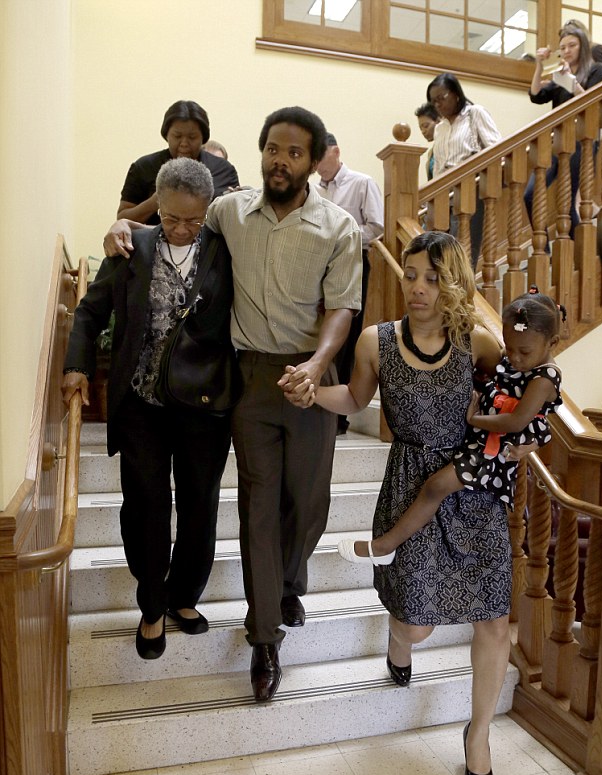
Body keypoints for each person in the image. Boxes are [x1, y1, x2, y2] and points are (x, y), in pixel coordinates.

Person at [103, 106, 363, 701]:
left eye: (294, 152)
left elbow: (343, 307)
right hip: (249, 379)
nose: (281, 159)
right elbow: (174, 218)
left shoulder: (340, 228)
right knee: (258, 506)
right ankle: (264, 637)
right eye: (273, 148)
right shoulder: (228, 211)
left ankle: (290, 580)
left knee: (308, 502)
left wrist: (318, 365)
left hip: (312, 378)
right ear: (261, 151)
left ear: (314, 159)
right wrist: (123, 227)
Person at [282, 230, 522, 775]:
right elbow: (356, 401)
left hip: (473, 490)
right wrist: (314, 393)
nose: (418, 288)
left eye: (434, 279)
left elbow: (512, 402)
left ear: (454, 283)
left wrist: (516, 442)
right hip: (408, 486)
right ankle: (399, 639)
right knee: (419, 620)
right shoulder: (375, 341)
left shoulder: (479, 344)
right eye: (412, 274)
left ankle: (479, 734)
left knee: (492, 618)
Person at [63, 158, 235, 660]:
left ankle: (185, 597)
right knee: (146, 507)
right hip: (142, 405)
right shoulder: (130, 247)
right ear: (157, 206)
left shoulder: (226, 252)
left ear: (208, 211)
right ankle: (152, 604)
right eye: (172, 218)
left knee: (200, 504)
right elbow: (90, 310)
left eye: (193, 221)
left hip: (204, 404)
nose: (182, 230)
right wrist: (76, 365)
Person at [338, 292, 563, 563]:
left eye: (523, 351)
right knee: (435, 488)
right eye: (509, 346)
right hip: (483, 438)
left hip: (493, 449)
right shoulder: (519, 362)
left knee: (435, 487)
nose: (513, 357)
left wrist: (474, 419)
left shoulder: (545, 377)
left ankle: (384, 546)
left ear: (552, 343)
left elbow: (516, 421)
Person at [316, 131, 384, 433]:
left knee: (346, 333)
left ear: (336, 151)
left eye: (321, 157)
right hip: (321, 267)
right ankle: (320, 404)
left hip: (355, 263)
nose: (318, 166)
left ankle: (340, 417)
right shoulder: (315, 190)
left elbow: (376, 226)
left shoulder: (362, 182)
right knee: (320, 333)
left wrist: (341, 235)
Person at [524, 25, 602, 243]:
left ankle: (575, 249)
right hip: (557, 140)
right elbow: (536, 95)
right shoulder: (561, 75)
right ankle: (545, 250)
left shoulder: (595, 69)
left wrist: (571, 80)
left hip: (583, 140)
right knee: (530, 194)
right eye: (563, 47)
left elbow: (591, 102)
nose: (567, 51)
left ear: (582, 46)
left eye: (572, 45)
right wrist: (539, 65)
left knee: (568, 199)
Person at [118, 100, 239, 225]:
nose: (184, 143)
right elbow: (122, 219)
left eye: (192, 137)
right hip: (153, 243)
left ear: (203, 138)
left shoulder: (223, 170)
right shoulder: (144, 167)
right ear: (167, 135)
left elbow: (233, 222)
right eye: (177, 136)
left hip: (209, 244)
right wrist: (155, 202)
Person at [426, 73, 501, 271]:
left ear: (456, 94)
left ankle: (463, 296)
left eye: (441, 98)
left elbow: (496, 149)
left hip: (470, 189)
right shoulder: (440, 128)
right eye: (433, 102)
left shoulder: (475, 113)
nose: (438, 105)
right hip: (444, 194)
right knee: (441, 255)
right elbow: (438, 166)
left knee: (463, 253)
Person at [414, 102, 441, 181]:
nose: (423, 131)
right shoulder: (431, 153)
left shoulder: (450, 144)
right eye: (420, 128)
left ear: (439, 121)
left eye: (426, 126)